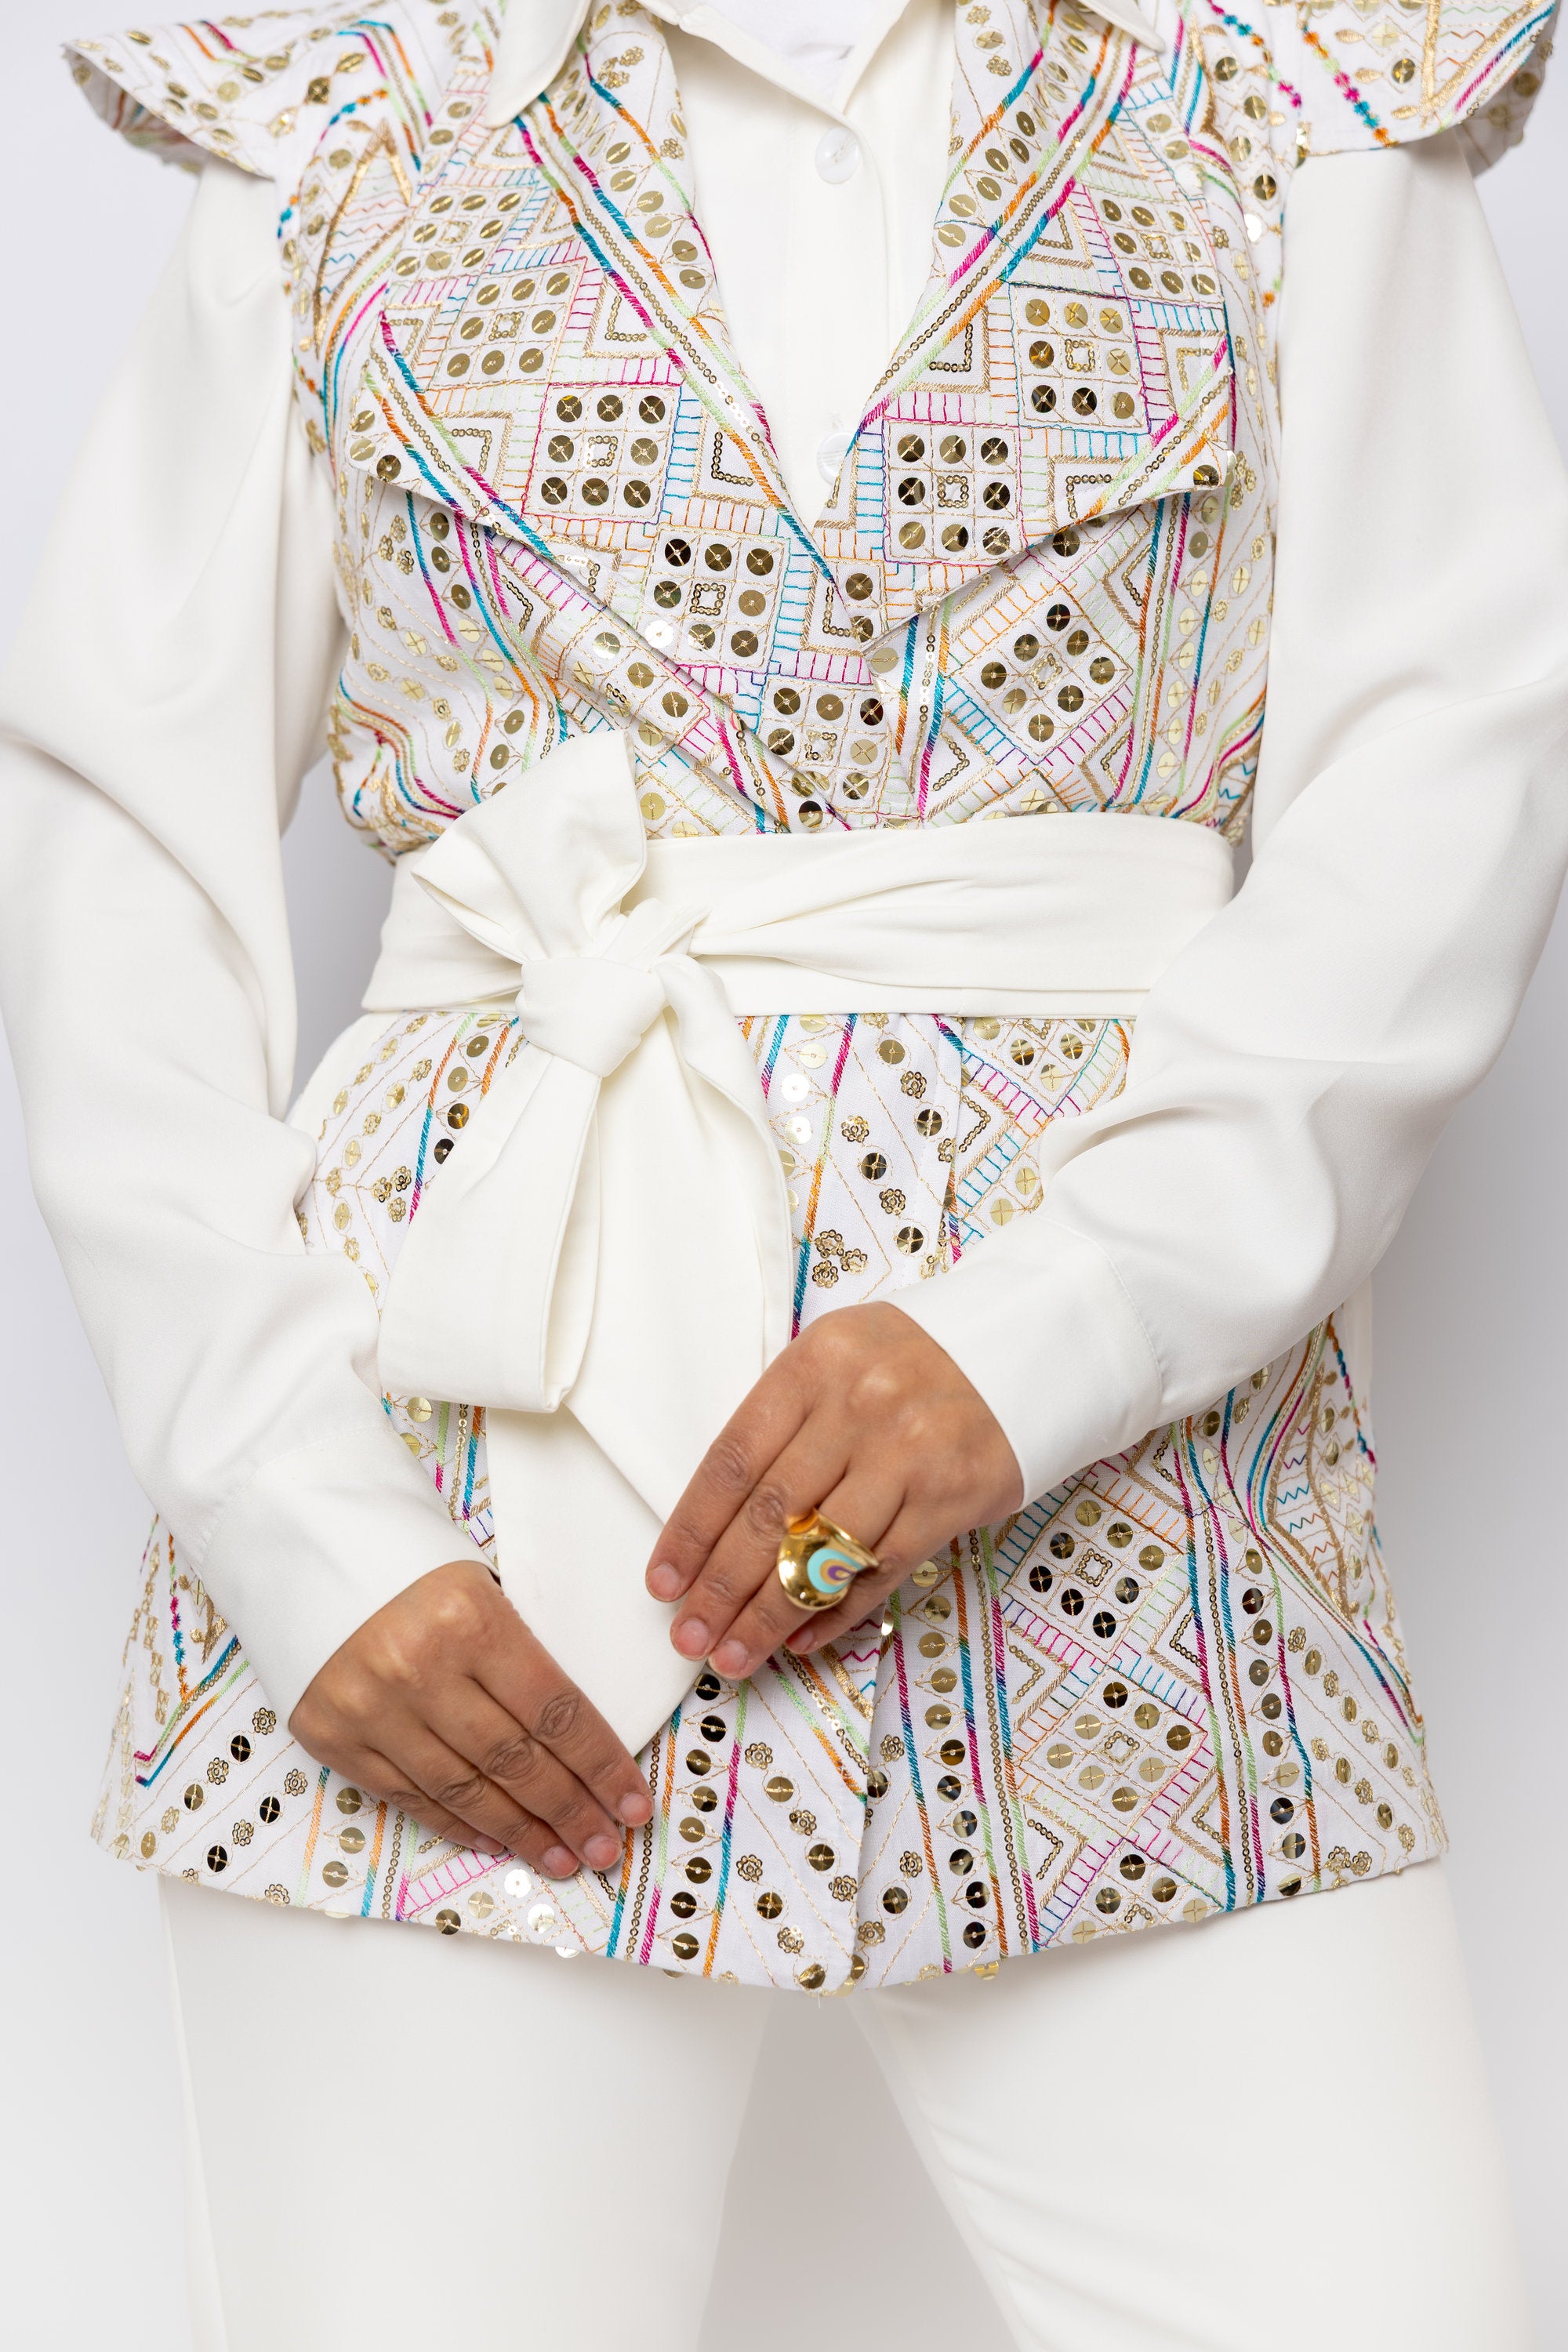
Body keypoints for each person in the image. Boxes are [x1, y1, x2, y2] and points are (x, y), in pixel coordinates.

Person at [3, 0, 1563, 2343]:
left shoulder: (1289, 76)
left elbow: (1442, 792)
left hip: (1139, 1504)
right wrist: (297, 1522)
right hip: (452, 1497)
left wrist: (1051, 1334)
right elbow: (112, 853)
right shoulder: (359, 107)